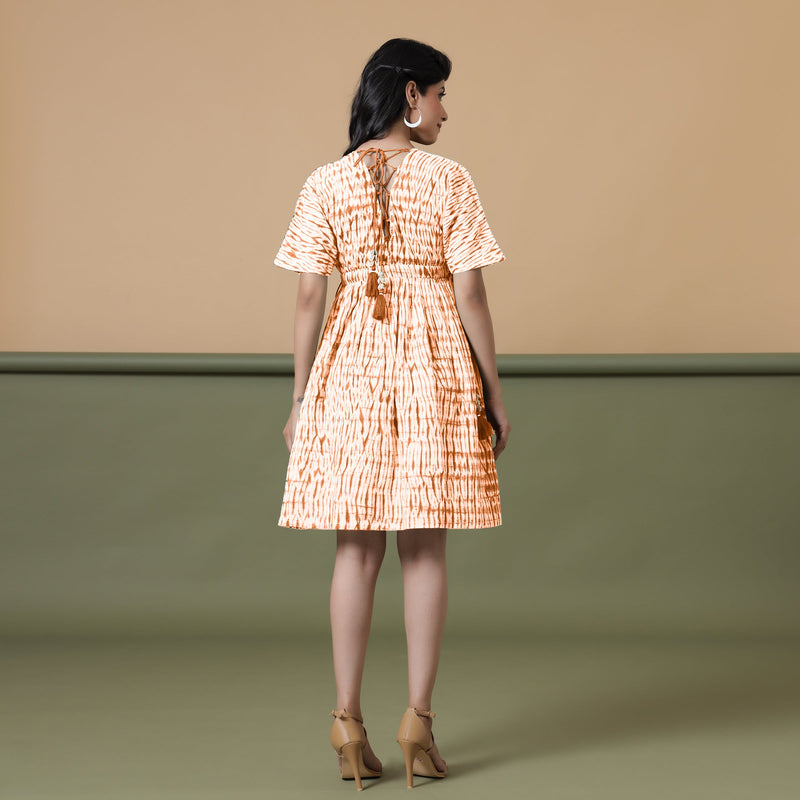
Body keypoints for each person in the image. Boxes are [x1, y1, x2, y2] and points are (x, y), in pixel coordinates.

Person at [274, 37, 511, 790]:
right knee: (424, 549)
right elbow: (470, 292)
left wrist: (302, 396)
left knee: (355, 548)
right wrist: (494, 390)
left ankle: (347, 722)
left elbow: (311, 295)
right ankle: (418, 721)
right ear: (410, 95)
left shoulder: (324, 182)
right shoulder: (449, 179)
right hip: (433, 362)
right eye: (440, 93)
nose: (446, 108)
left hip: (349, 360)